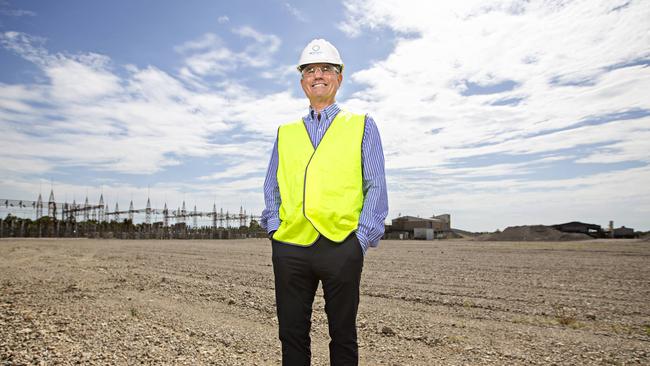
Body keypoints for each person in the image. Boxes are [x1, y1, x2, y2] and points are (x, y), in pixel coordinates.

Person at [261, 38, 388, 365]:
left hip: (341, 246)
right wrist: (275, 230)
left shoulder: (362, 125)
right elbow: (272, 186)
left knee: (343, 335)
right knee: (291, 334)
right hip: (291, 246)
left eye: (326, 69)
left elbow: (375, 185)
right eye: (310, 70)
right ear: (302, 80)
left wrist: (360, 240)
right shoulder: (285, 132)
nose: (318, 75)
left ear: (339, 78)